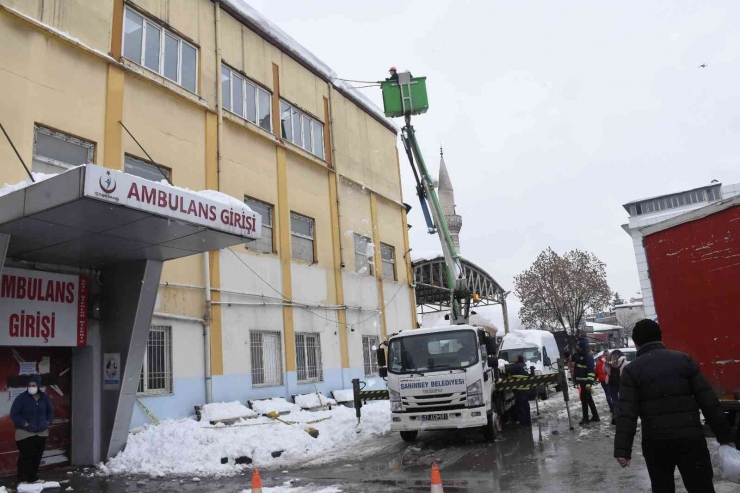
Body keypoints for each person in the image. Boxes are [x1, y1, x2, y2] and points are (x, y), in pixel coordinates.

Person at [614, 319, 736, 493]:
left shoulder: (631, 370)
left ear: (636, 343)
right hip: (691, 439)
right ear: (660, 338)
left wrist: (622, 450)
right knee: (701, 487)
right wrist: (725, 436)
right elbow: (709, 402)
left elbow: (626, 413)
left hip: (656, 442)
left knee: (662, 487)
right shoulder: (683, 360)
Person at [10, 375, 53, 485]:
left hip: (41, 432)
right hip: (25, 432)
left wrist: (47, 422)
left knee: (37, 455)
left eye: (34, 385)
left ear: (38, 386)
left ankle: (33, 477)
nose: (31, 387)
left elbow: (50, 412)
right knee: (26, 455)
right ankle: (22, 478)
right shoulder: (21, 398)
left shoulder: (44, 398)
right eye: (29, 385)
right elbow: (14, 414)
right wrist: (25, 423)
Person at [573, 338, 599, 425]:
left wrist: (589, 383)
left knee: (584, 400)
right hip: (582, 382)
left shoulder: (588, 357)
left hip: (585, 383)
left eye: (578, 346)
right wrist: (566, 354)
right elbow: (571, 358)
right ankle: (595, 416)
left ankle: (585, 418)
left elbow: (591, 371)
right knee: (588, 399)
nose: (576, 347)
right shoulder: (579, 355)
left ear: (582, 347)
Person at [509, 355, 532, 426]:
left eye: (515, 358)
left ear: (518, 359)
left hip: (520, 389)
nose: (514, 359)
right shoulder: (524, 365)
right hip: (526, 389)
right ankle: (528, 420)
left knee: (520, 406)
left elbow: (508, 370)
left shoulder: (517, 366)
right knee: (526, 405)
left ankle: (523, 422)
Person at [606, 349, 626, 425]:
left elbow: (605, 370)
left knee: (614, 400)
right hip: (621, 382)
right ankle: (622, 416)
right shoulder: (624, 361)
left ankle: (615, 416)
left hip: (612, 382)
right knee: (622, 399)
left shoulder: (608, 362)